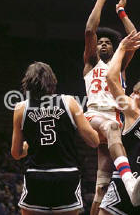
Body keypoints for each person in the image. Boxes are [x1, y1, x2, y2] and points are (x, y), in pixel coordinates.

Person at [84, 0, 140, 214]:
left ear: (115, 47)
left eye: (107, 42)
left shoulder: (119, 67)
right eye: (100, 42)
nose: (102, 43)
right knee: (111, 126)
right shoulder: (91, 63)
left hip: (116, 123)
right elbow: (90, 30)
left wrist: (121, 11)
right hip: (94, 117)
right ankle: (129, 181)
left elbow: (135, 38)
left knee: (101, 189)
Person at [11, 61, 100, 215]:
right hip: (66, 174)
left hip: (36, 176)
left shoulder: (20, 108)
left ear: (28, 83)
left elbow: (16, 153)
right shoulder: (70, 102)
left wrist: (26, 146)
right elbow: (94, 141)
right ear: (52, 81)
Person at [99, 31, 140, 215]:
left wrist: (121, 48)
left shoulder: (135, 112)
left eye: (135, 92)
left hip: (124, 183)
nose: (130, 95)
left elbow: (111, 78)